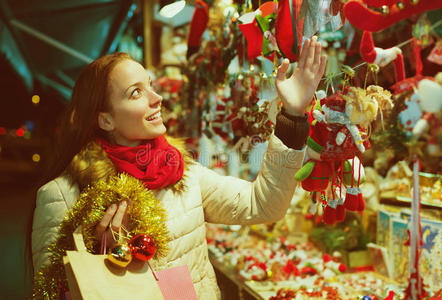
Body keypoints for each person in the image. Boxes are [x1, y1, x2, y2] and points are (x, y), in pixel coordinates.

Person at [31, 36, 326, 299]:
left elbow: (263, 204)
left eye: (150, 85)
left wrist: (293, 116)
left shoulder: (181, 171)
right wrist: (105, 255)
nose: (156, 98)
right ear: (106, 120)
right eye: (136, 93)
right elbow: (48, 290)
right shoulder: (62, 196)